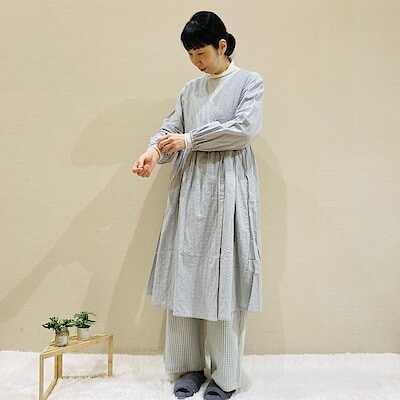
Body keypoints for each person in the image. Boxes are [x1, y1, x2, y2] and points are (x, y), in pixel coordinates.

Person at [132, 11, 263, 400]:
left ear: (222, 45)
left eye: (201, 52)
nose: (196, 61)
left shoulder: (249, 82)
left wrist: (190, 140)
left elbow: (243, 130)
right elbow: (171, 128)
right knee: (185, 274)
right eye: (189, 54)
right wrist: (154, 151)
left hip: (228, 192)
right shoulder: (190, 90)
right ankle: (188, 367)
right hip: (189, 193)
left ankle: (225, 376)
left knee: (223, 279)